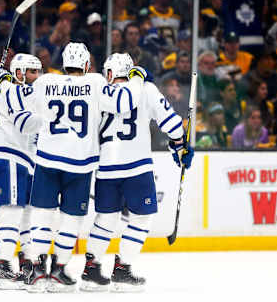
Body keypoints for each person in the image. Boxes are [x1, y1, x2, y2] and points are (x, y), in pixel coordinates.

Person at [0, 42, 146, 293]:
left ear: (63, 63)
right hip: (80, 165)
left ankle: (38, 272)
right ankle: (60, 270)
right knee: (70, 220)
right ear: (86, 65)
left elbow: (15, 97)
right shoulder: (95, 83)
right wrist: (138, 78)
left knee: (41, 217)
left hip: (47, 162)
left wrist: (1, 79)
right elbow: (123, 102)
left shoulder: (44, 83)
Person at [80, 53, 193, 292]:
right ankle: (122, 270)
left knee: (105, 219)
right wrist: (179, 144)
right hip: (137, 167)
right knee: (142, 219)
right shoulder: (146, 89)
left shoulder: (99, 93)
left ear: (109, 73)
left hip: (106, 167)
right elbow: (172, 126)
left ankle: (91, 269)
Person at [0, 53, 43, 289]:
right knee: (13, 210)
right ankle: (3, 266)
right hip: (10, 154)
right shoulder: (21, 91)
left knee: (25, 210)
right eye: (32, 72)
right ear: (19, 73)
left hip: (19, 156)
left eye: (38, 71)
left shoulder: (9, 86)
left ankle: (27, 261)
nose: (37, 76)